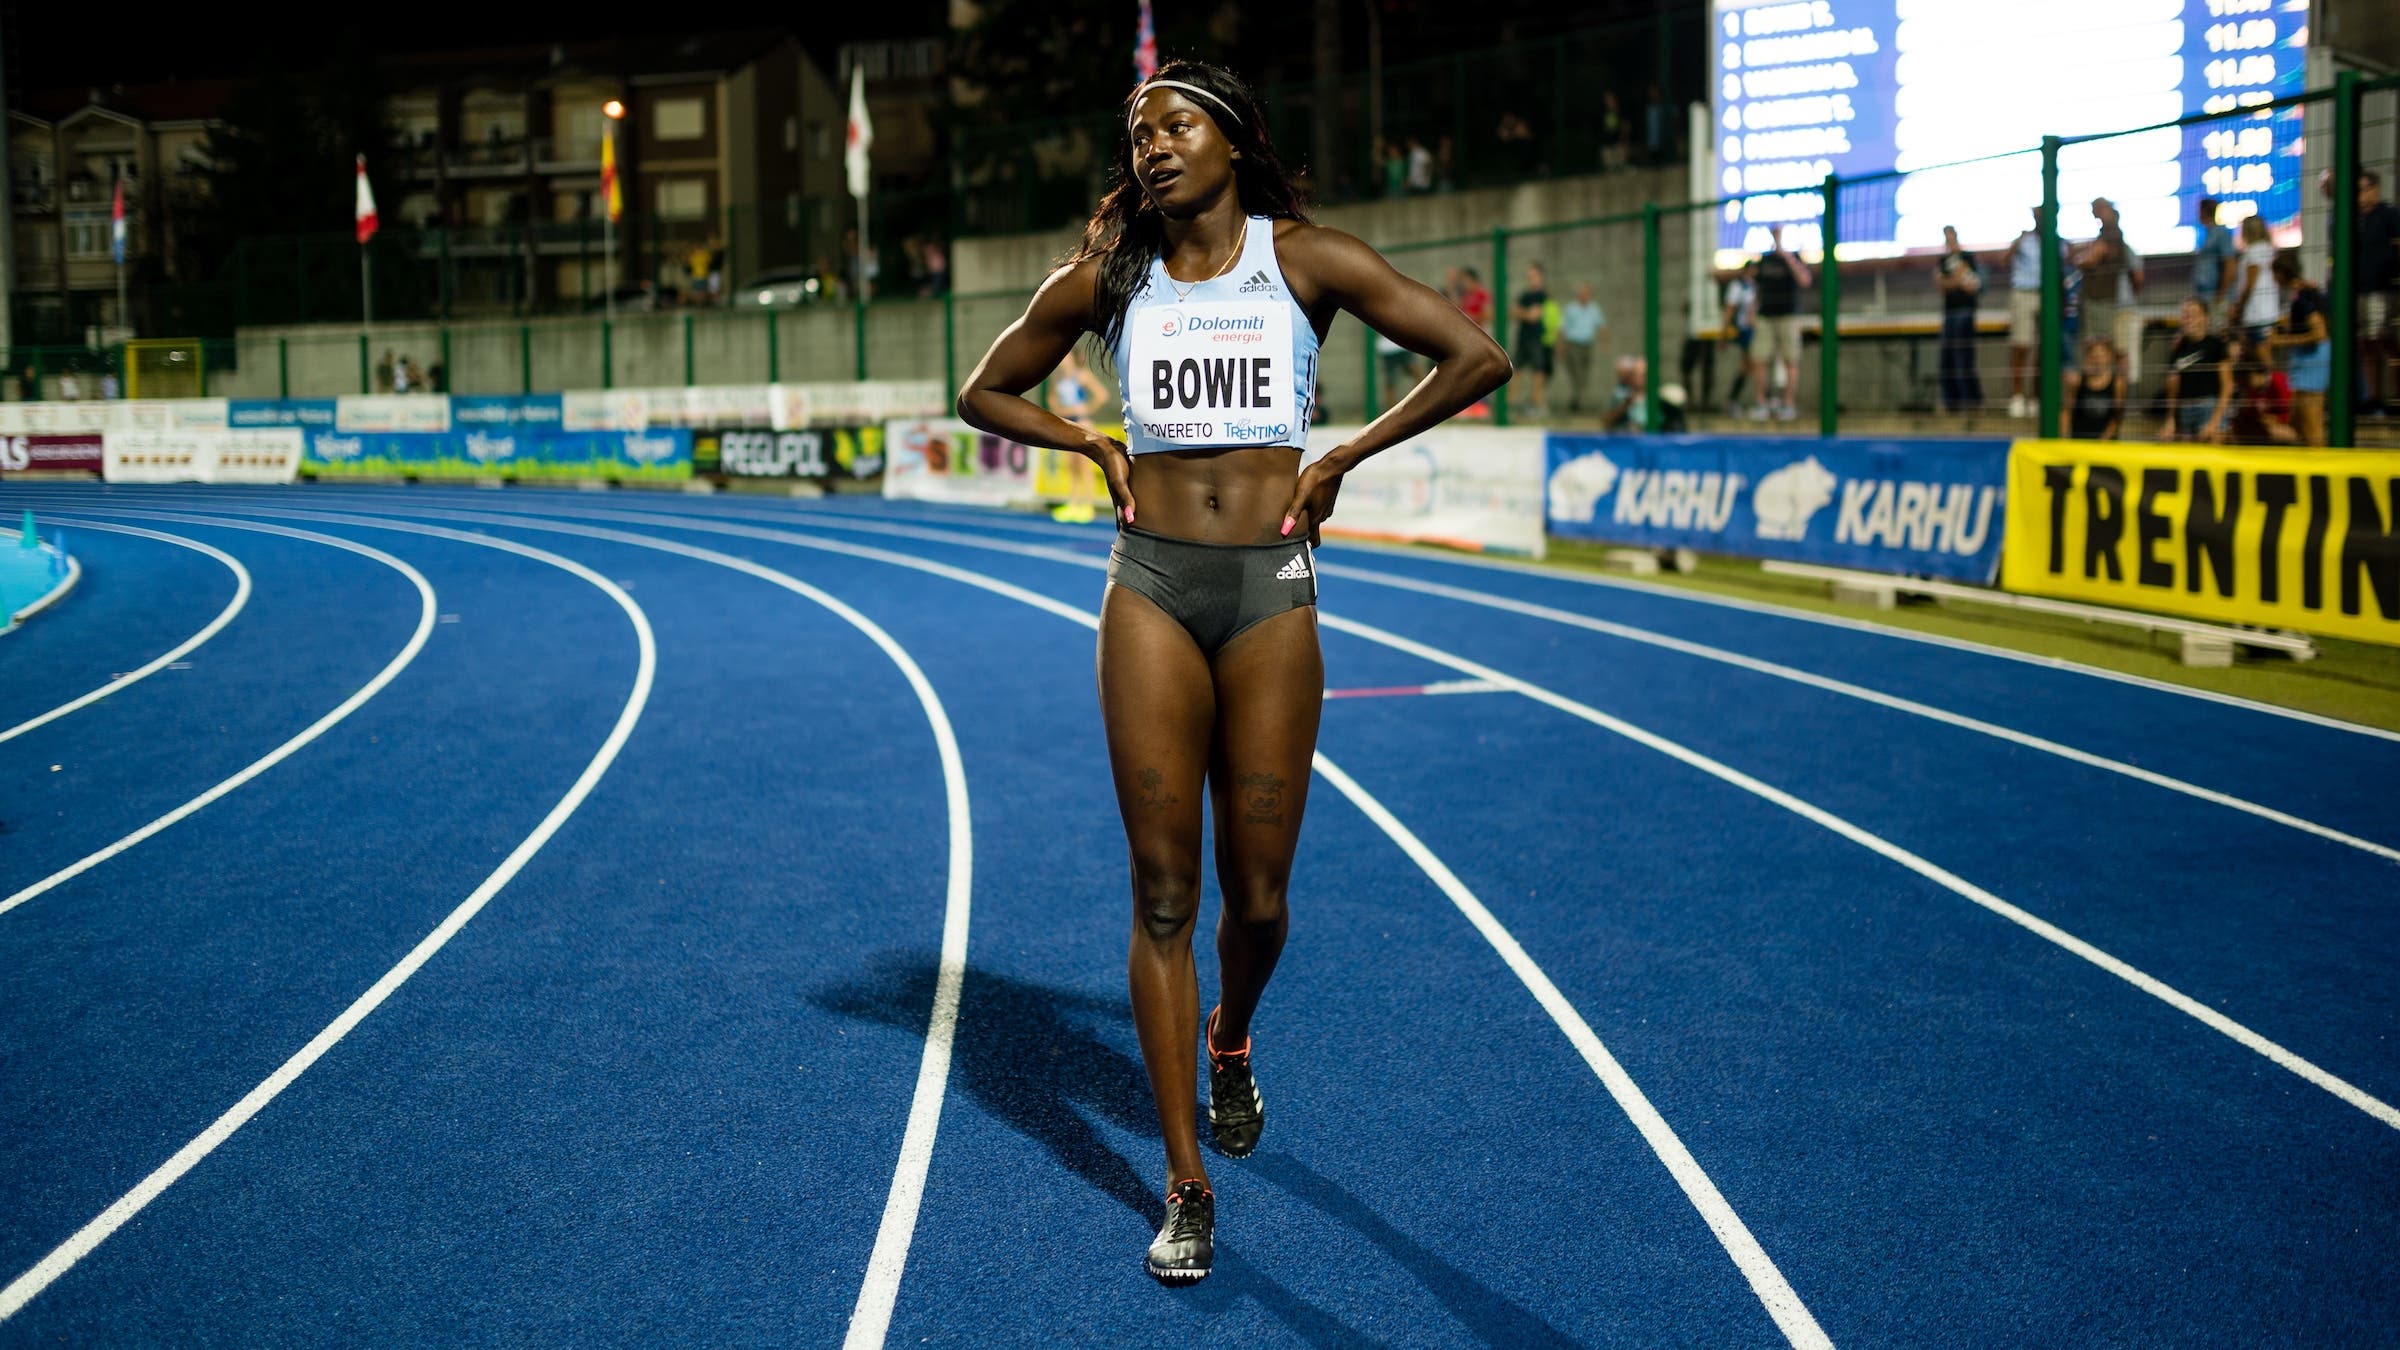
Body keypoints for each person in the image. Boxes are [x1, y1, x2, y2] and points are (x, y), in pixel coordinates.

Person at [952, 60, 1508, 1284]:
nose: (1154, 146)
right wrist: (1083, 436)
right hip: (1150, 585)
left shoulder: (1304, 259)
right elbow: (982, 390)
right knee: (1163, 894)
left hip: (1269, 595)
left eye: (1178, 124)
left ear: (1234, 141)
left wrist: (1347, 453)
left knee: (1257, 900)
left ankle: (1233, 1038)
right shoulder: (1110, 279)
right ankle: (1184, 1184)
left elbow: (1476, 357)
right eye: (1138, 133)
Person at [2264, 252, 2328, 446]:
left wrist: (2281, 341)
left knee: (2311, 425)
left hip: (2313, 363)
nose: (2273, 280)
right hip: (2303, 363)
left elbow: (2320, 333)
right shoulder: (2299, 294)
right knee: (2299, 423)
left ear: (2282, 274)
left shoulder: (2303, 296)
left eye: (2274, 275)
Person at [1753, 224, 1811, 421]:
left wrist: (1785, 255)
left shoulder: (1793, 257)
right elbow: (1757, 288)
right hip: (1765, 315)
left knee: (1790, 359)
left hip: (1788, 315)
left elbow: (1804, 280)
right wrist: (1753, 310)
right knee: (1759, 358)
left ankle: (1788, 404)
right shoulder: (1765, 259)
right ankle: (1762, 403)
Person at [2353, 170, 2399, 414]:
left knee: (2384, 339)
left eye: (2363, 189)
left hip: (2382, 289)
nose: (2359, 196)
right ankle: (2374, 397)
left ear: (2375, 189)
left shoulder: (2388, 215)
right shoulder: (2353, 219)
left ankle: (2394, 396)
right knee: (2366, 344)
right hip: (2359, 289)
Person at [1049, 345, 1110, 521]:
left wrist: (1086, 409)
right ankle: (1073, 503)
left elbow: (1102, 395)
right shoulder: (1058, 380)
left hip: (1082, 422)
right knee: (1072, 466)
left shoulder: (1081, 375)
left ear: (1072, 358)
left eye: (1065, 356)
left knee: (1084, 465)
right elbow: (1052, 402)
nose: (1062, 360)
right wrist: (1062, 410)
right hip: (1067, 423)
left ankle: (1088, 505)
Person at [2160, 298, 2231, 442]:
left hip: (2209, 407)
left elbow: (2227, 385)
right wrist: (2170, 419)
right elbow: (2173, 386)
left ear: (2205, 318)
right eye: (2185, 315)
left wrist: (2215, 421)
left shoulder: (2215, 345)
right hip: (2185, 409)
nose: (2188, 319)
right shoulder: (2179, 349)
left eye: (2193, 314)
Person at [1934, 224, 1983, 413]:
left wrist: (1950, 281)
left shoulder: (1967, 256)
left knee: (1963, 359)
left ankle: (1971, 403)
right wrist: (1955, 281)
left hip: (1964, 312)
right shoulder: (1943, 260)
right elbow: (1943, 284)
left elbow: (1969, 284)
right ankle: (1952, 404)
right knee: (1947, 360)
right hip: (1950, 313)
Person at [2224, 338, 2300, 445]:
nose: (2244, 384)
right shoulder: (2253, 391)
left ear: (2254, 373)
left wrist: (2273, 419)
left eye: (2245, 380)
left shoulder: (2279, 382)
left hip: (2283, 427)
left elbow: (2291, 413)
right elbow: (2250, 413)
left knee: (2272, 431)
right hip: (2262, 427)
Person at [2006, 208, 2044, 417]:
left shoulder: (2057, 242)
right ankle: (2018, 397)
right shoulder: (2024, 239)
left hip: (2046, 296)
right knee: (2021, 346)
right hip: (2022, 293)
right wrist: (2017, 244)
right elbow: (2005, 260)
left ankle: (2036, 398)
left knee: (2042, 350)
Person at [2060, 335, 2124, 440]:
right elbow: (2067, 411)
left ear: (2109, 357)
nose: (2098, 360)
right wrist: (2063, 438)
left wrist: (2105, 439)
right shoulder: (2077, 380)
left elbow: (2117, 416)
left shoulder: (2117, 383)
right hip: (2079, 442)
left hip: (2105, 444)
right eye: (2094, 356)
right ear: (2088, 357)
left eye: (2102, 356)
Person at [2229, 213, 2278, 346]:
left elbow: (2250, 284)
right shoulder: (2269, 249)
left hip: (2256, 313)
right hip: (2270, 310)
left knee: (2260, 353)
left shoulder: (2253, 251)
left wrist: (2238, 307)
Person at [1511, 261, 1552, 416]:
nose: (1531, 278)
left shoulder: (1543, 295)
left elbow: (1533, 316)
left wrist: (1522, 312)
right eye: (1529, 275)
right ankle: (1511, 403)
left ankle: (1537, 404)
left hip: (1536, 338)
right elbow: (1514, 312)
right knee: (1516, 370)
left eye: (1534, 275)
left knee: (1538, 371)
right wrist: (1524, 313)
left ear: (1540, 276)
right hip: (1523, 337)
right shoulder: (1525, 295)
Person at [1557, 283, 1604, 412]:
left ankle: (1577, 399)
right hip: (1574, 345)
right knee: (1577, 372)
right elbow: (1562, 328)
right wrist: (1560, 347)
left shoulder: (1594, 309)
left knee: (1584, 374)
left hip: (1587, 345)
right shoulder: (1571, 309)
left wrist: (1605, 344)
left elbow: (1601, 326)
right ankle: (1577, 400)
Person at [1723, 261, 1760, 417]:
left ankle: (1735, 399)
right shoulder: (1738, 287)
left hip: (1758, 329)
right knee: (1750, 364)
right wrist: (1723, 334)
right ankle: (1733, 399)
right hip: (1746, 330)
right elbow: (1730, 310)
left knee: (1754, 365)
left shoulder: (1756, 286)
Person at [2192, 197, 2237, 316]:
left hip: (2216, 297)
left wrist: (2221, 294)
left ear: (2203, 211)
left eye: (2198, 210)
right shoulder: (2209, 234)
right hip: (2206, 296)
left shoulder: (2221, 233)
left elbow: (2230, 264)